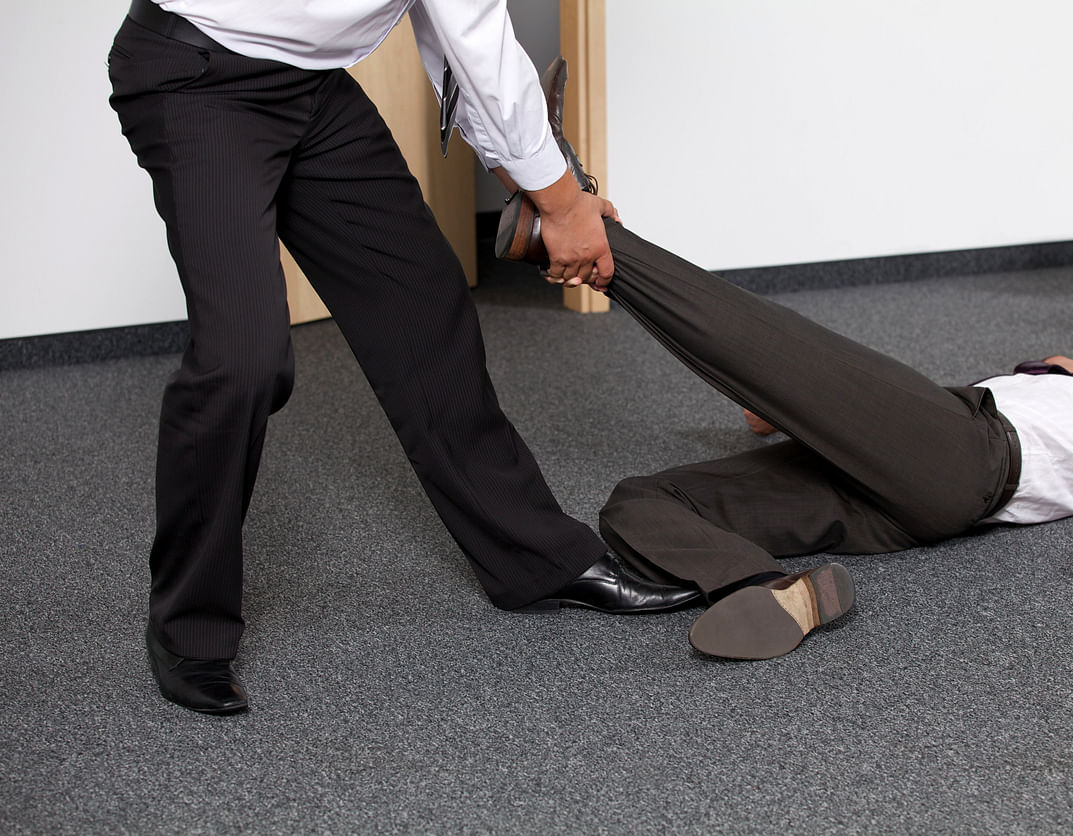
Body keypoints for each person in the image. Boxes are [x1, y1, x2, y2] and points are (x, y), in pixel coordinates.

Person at [108, 0, 697, 715]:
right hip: (198, 76)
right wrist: (565, 204)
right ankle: (187, 629)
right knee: (243, 361)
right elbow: (475, 37)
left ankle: (537, 562)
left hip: (314, 87)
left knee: (421, 303)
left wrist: (523, 170)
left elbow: (449, 35)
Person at [516, 218, 1073, 663]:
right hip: (888, 507)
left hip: (972, 459)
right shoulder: (1011, 384)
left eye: (1068, 363)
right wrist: (797, 412)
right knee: (641, 500)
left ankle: (599, 237)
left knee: (775, 349)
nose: (1056, 361)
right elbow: (874, 419)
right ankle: (770, 587)